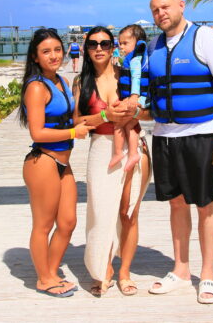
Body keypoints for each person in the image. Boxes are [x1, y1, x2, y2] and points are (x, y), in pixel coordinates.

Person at [146, 0, 213, 304]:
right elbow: (149, 94)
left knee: (205, 204)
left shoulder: (205, 38)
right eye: (155, 9)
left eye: (165, 7)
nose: (161, 13)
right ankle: (181, 270)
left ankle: (208, 274)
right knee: (176, 203)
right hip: (164, 136)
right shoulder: (154, 46)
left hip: (202, 134)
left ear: (181, 5)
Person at [72, 26, 152, 297]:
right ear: (86, 49)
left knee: (128, 214)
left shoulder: (126, 74)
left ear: (113, 47)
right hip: (100, 147)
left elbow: (150, 112)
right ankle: (103, 268)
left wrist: (134, 112)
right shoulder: (81, 82)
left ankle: (124, 272)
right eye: (93, 44)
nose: (99, 48)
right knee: (100, 212)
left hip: (134, 146)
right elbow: (77, 122)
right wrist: (105, 116)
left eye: (105, 43)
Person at [18, 28, 93, 298]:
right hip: (43, 161)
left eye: (57, 50)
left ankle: (50, 271)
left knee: (68, 222)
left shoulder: (61, 80)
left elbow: (73, 120)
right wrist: (73, 133)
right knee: (43, 225)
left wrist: (105, 116)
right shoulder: (36, 87)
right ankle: (44, 279)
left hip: (63, 163)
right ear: (35, 57)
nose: (54, 56)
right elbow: (37, 133)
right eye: (46, 51)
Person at [109, 24, 149, 172]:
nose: (121, 46)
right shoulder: (137, 57)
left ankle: (118, 153)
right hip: (143, 98)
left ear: (137, 42)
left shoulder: (135, 59)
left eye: (125, 43)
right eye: (120, 43)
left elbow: (136, 77)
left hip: (136, 98)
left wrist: (133, 96)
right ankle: (133, 154)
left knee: (119, 124)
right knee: (130, 125)